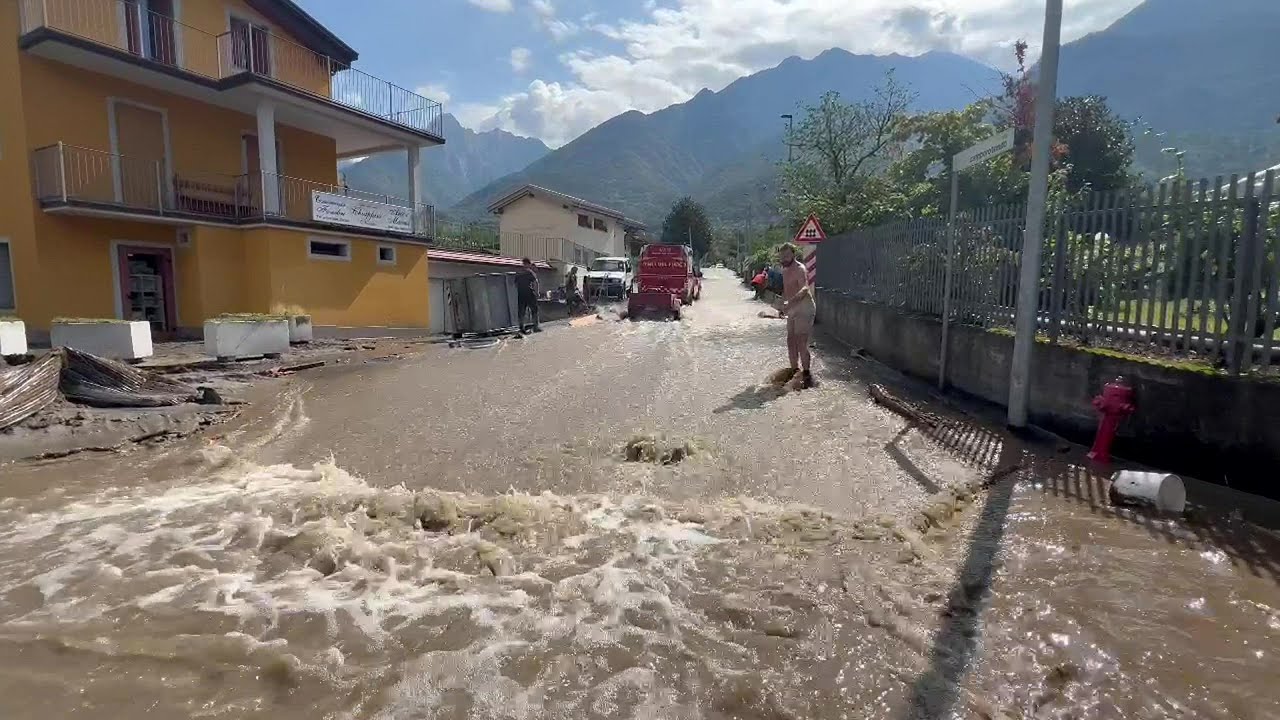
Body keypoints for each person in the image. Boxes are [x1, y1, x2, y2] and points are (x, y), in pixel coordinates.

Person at [776, 243, 816, 387]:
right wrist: (781, 304)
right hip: (793, 308)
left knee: (801, 341)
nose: (784, 258)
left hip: (805, 308)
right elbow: (786, 290)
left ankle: (807, 375)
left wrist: (790, 302)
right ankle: (794, 371)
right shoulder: (784, 269)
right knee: (790, 340)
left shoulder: (800, 269)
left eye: (787, 255)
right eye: (782, 256)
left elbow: (804, 289)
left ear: (793, 254)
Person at [515, 258, 541, 333]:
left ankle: (521, 327)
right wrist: (537, 292)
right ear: (529, 264)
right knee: (534, 310)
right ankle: (536, 327)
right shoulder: (530, 272)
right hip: (529, 293)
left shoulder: (518, 273)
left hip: (521, 294)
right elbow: (536, 283)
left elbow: (515, 284)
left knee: (521, 311)